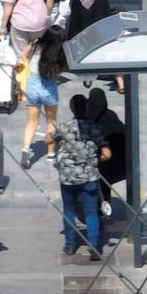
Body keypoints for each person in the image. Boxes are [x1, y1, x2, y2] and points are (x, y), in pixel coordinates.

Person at [47, 94, 110, 260]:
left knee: (69, 210)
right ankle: (94, 245)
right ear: (86, 107)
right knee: (91, 212)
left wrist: (56, 138)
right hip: (89, 177)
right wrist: (95, 160)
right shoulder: (95, 127)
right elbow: (107, 154)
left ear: (71, 108)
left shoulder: (64, 127)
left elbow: (48, 140)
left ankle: (70, 245)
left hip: (68, 177)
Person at [20, 26, 66, 169]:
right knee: (51, 122)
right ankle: (51, 153)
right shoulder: (58, 53)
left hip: (33, 86)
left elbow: (23, 56)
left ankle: (26, 149)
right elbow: (58, 72)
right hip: (49, 88)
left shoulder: (35, 45)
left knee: (31, 122)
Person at [86, 88, 127, 218]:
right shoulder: (111, 115)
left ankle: (100, 208)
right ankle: (105, 206)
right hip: (123, 161)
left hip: (104, 161)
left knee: (100, 181)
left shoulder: (89, 118)